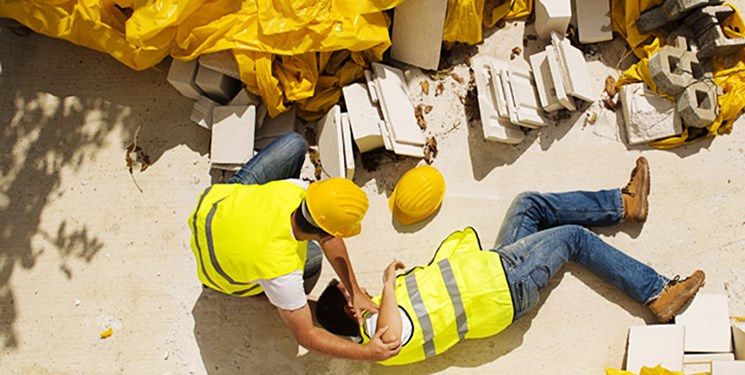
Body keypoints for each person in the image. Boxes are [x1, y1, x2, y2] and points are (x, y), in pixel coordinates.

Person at [315, 157, 705, 365]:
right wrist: (384, 284)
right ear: (352, 308)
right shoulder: (380, 340)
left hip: (494, 268)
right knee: (573, 239)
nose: (356, 286)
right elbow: (391, 334)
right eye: (349, 290)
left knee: (527, 204)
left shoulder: (379, 318)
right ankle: (657, 292)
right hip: (507, 286)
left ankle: (624, 204)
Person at [188, 131, 401, 361]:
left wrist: (354, 290)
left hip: (214, 208)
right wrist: (366, 352)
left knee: (294, 144)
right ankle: (263, 294)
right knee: (313, 261)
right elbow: (306, 336)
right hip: (217, 272)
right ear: (324, 232)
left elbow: (328, 232)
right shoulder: (282, 270)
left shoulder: (293, 190)